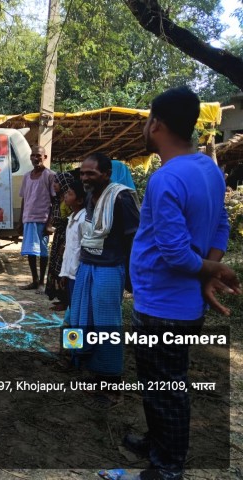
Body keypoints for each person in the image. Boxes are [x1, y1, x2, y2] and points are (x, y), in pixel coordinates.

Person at [124, 86, 241, 480]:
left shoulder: (166, 179)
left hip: (163, 307)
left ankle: (168, 466)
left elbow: (175, 254)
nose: (145, 127)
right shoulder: (208, 168)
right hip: (181, 303)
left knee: (166, 387)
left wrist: (211, 271)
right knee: (158, 382)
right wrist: (209, 270)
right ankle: (157, 442)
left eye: (147, 120)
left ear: (156, 124)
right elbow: (220, 225)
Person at [69, 152, 140, 408]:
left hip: (109, 268)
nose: (85, 178)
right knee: (79, 316)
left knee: (107, 325)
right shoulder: (90, 196)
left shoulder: (121, 197)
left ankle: (111, 383)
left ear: (107, 174)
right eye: (82, 173)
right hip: (87, 265)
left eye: (91, 173)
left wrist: (132, 277)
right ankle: (82, 362)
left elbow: (134, 239)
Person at [18, 145, 55, 291]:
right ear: (30, 158)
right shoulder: (26, 176)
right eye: (33, 155)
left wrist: (49, 223)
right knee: (31, 251)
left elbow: (55, 201)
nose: (35, 158)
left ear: (44, 157)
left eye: (38, 155)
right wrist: (21, 220)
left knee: (43, 252)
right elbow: (24, 199)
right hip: (28, 219)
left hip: (42, 219)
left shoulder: (50, 175)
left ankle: (41, 282)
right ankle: (34, 280)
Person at [44, 172, 74, 309]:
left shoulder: (70, 202)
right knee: (56, 265)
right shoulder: (57, 200)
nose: (54, 185)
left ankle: (66, 300)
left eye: (57, 182)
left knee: (63, 266)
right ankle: (60, 297)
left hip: (67, 236)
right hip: (59, 236)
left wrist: (66, 242)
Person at [59, 179, 86, 309]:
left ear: (79, 200)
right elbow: (70, 249)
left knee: (77, 307)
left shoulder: (83, 220)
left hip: (78, 275)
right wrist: (65, 273)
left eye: (70, 193)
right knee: (73, 306)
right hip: (71, 273)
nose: (66, 195)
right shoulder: (72, 218)